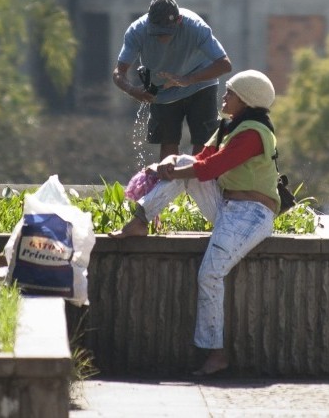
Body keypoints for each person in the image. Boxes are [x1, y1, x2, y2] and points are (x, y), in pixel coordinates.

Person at [109, 70, 280, 376]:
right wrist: (168, 164)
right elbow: (201, 158)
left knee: (211, 274)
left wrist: (171, 172)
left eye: (230, 93)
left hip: (252, 213)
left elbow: (214, 167)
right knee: (183, 161)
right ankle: (140, 219)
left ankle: (216, 354)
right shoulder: (229, 126)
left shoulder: (254, 133)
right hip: (228, 206)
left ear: (247, 100)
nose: (224, 97)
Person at [113, 0, 232, 160]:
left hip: (200, 82)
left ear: (179, 20)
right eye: (157, 33)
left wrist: (188, 80)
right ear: (149, 23)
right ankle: (169, 183)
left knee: (203, 141)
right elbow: (119, 72)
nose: (163, 38)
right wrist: (133, 91)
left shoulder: (196, 27)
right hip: (162, 90)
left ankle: (197, 184)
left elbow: (225, 65)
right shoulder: (137, 31)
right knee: (167, 142)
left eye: (168, 32)